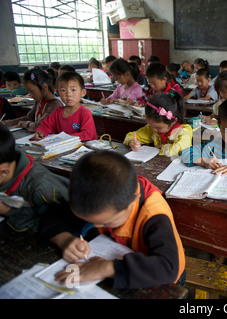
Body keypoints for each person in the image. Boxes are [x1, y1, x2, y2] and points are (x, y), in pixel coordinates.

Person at [39, 150, 186, 289]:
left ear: (132, 202)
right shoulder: (94, 198)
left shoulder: (154, 215)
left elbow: (167, 269)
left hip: (160, 280)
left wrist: (107, 268)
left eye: (106, 222)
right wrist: (64, 239)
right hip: (116, 259)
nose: (96, 225)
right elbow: (53, 215)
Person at [0, 124, 69, 232]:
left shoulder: (42, 190)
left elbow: (58, 227)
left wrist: (8, 210)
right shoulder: (7, 166)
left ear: (3, 171)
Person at [124, 92, 192, 157]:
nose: (154, 129)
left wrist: (163, 147)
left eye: (159, 128)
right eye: (150, 125)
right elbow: (132, 135)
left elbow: (178, 150)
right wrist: (131, 142)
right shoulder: (152, 128)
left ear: (174, 121)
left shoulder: (183, 131)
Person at [34, 71, 97, 141]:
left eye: (73, 90)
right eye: (63, 90)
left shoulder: (84, 112)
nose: (68, 94)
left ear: (83, 93)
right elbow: (45, 126)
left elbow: (87, 135)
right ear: (58, 93)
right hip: (63, 147)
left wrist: (65, 138)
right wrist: (41, 132)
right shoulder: (57, 112)